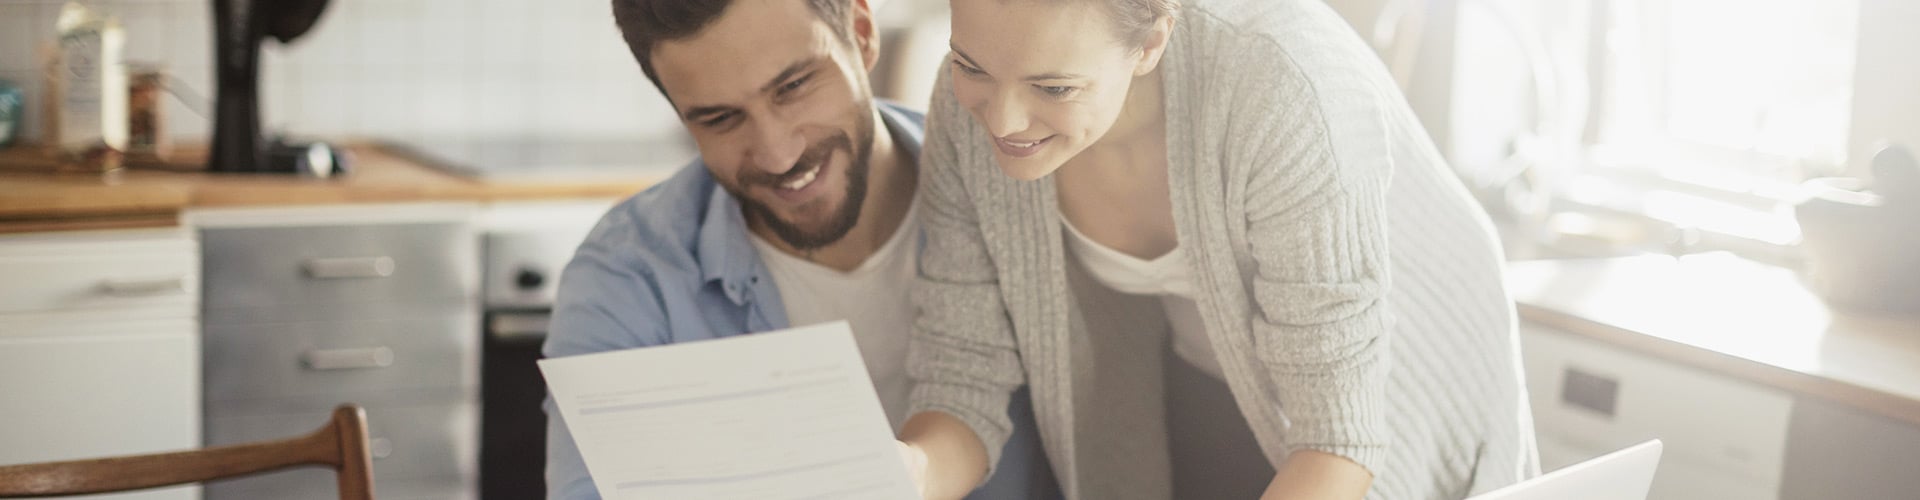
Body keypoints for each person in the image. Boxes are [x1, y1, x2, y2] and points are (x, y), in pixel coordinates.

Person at [893, 0, 1539, 499]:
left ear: (1150, 41)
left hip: (1406, 342)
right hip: (1204, 351)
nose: (1001, 121)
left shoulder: (1280, 84)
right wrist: (902, 474)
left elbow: (1338, 439)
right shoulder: (966, 121)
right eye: (970, 65)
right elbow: (963, 376)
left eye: (1054, 88)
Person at [541, 0, 1056, 498]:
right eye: (720, 119)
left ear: (860, 31)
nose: (777, 153)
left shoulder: (1016, 192)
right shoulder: (628, 277)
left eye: (793, 86)